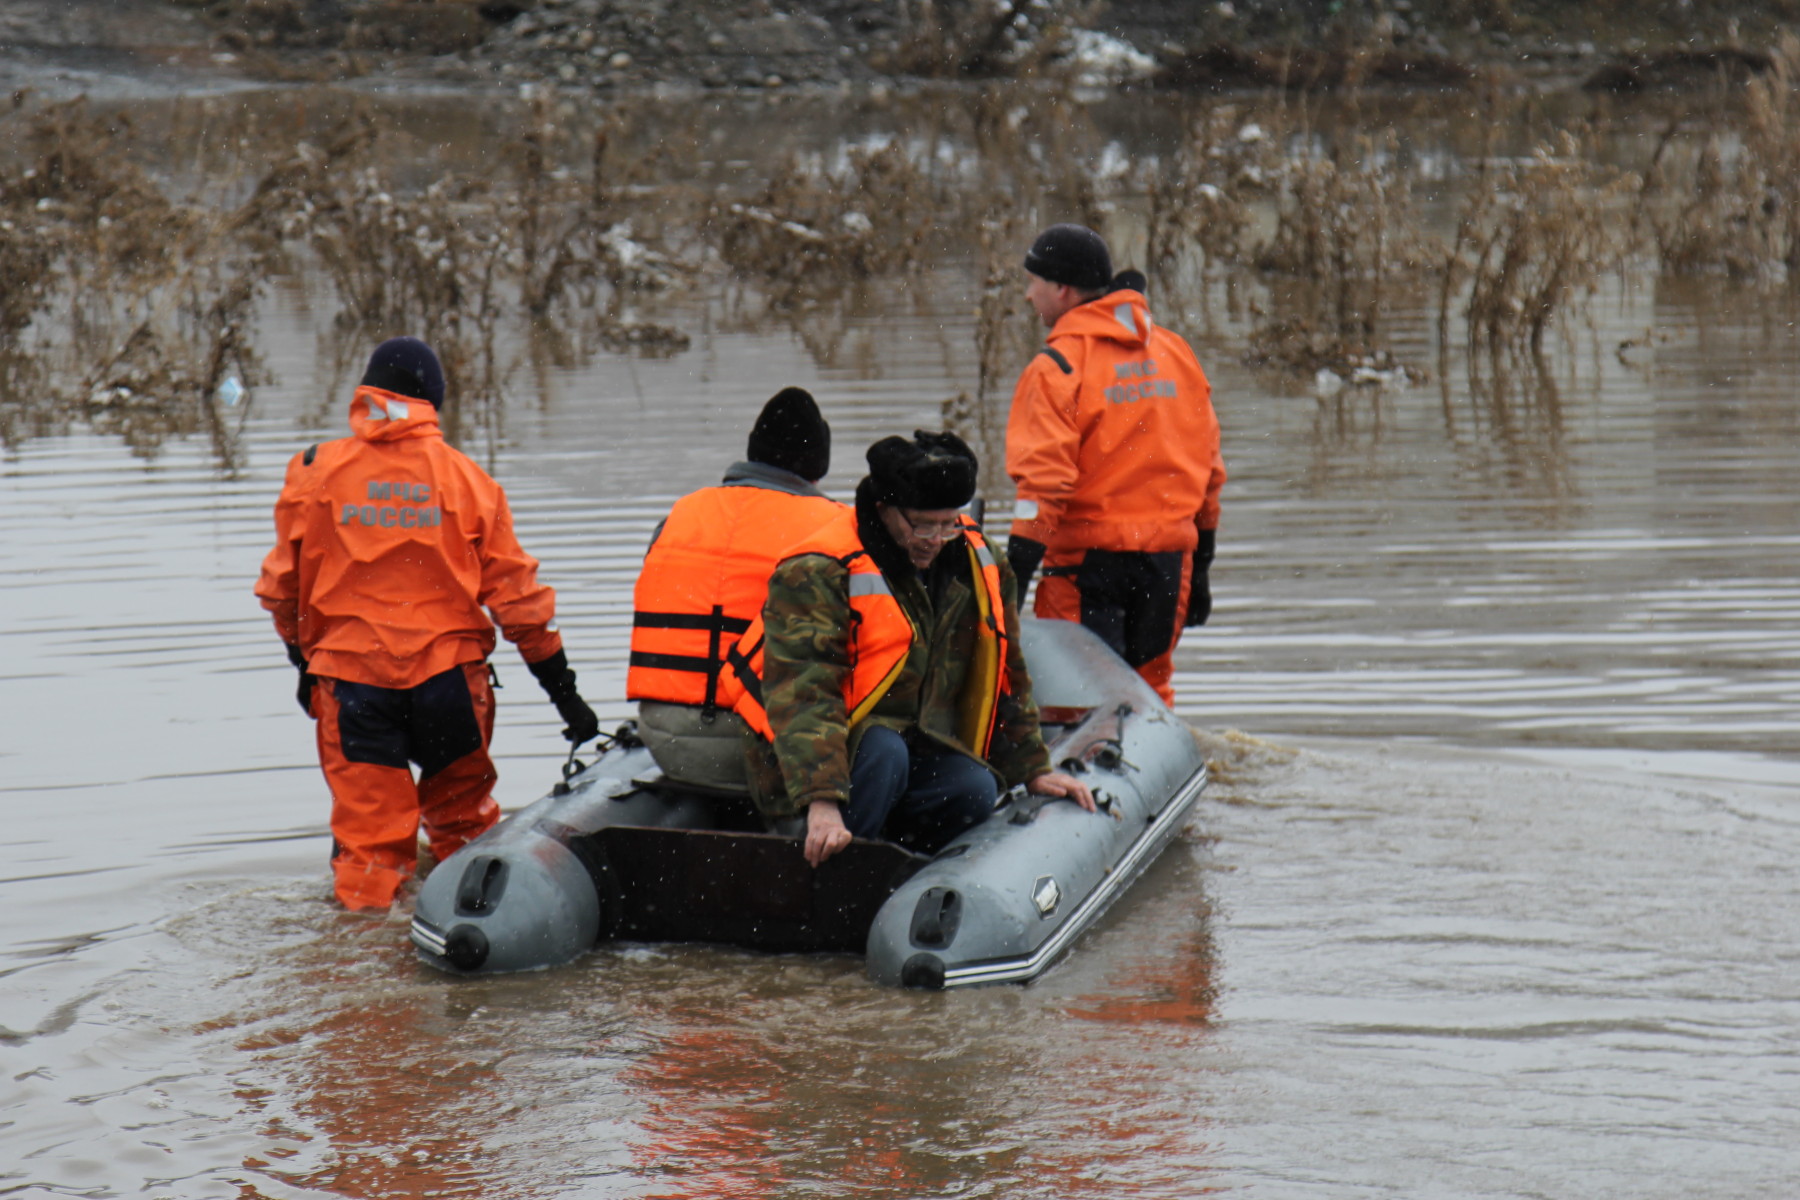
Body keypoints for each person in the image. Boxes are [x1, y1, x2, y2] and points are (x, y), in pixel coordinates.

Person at [254, 336, 599, 911]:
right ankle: (476, 934)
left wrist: (304, 661)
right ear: (433, 400)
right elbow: (520, 603)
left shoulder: (315, 472)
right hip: (450, 688)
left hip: (354, 685)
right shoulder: (467, 479)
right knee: (465, 830)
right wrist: (567, 698)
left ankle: (363, 968)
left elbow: (281, 591)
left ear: (368, 392)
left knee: (369, 854)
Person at [723, 431, 1094, 867]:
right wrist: (821, 803)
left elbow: (1008, 671)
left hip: (914, 744)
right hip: (819, 763)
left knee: (974, 787)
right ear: (883, 511)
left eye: (947, 524)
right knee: (885, 750)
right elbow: (803, 693)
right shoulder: (817, 570)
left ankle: (906, 872)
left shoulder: (982, 561)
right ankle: (834, 871)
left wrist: (1033, 768)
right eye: (921, 524)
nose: (934, 539)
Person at [1004, 223, 1226, 706]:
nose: (1027, 295)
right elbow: (1209, 469)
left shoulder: (1058, 367)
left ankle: (1075, 778)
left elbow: (1042, 487)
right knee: (1149, 695)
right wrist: (1202, 564)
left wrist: (1012, 582)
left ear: (1061, 289)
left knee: (1077, 698)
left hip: (1088, 568)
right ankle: (1155, 772)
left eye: (1033, 283)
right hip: (1169, 563)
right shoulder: (1174, 353)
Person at [627, 387, 844, 790]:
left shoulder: (679, 515)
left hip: (665, 738)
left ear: (751, 454)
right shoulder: (834, 529)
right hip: (765, 749)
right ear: (817, 470)